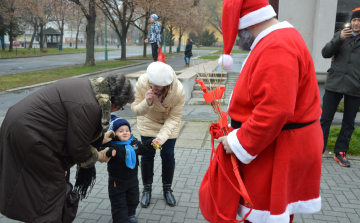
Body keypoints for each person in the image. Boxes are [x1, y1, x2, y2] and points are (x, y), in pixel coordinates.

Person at [216, 0, 323, 222]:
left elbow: (275, 109)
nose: (238, 38)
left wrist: (239, 142)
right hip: (276, 143)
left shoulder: (276, 45)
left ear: (246, 24)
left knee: (262, 213)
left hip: (278, 148)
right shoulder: (277, 40)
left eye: (238, 32)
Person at [0, 74, 135, 222]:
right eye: (121, 108)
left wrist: (101, 139)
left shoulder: (89, 89)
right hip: (30, 136)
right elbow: (78, 149)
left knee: (36, 188)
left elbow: (75, 129)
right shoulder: (90, 106)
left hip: (22, 126)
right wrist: (99, 156)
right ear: (114, 102)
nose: (117, 110)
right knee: (52, 189)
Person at [131, 62, 185, 208]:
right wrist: (146, 103)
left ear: (166, 85)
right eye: (151, 84)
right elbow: (135, 109)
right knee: (147, 155)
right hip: (148, 121)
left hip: (169, 124)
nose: (153, 88)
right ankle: (147, 190)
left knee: (167, 155)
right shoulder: (142, 82)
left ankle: (167, 189)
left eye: (157, 86)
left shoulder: (178, 91)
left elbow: (174, 118)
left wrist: (161, 138)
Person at [320, 7, 360, 167]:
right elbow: (325, 53)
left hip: (355, 87)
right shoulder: (341, 35)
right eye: (354, 20)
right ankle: (318, 149)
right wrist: (339, 39)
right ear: (351, 22)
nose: (356, 23)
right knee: (325, 119)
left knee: (349, 122)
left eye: (359, 20)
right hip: (334, 84)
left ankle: (340, 152)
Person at [101, 115, 155, 223]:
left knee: (133, 199)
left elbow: (143, 148)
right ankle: (120, 220)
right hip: (117, 181)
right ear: (113, 134)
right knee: (118, 202)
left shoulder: (133, 143)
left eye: (127, 130)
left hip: (132, 180)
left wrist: (151, 143)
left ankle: (130, 215)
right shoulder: (112, 145)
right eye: (121, 131)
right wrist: (108, 152)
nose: (125, 132)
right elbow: (101, 149)